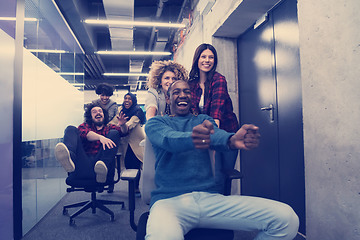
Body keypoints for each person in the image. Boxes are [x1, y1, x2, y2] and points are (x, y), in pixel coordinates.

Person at [144, 80, 299, 240]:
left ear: (193, 98)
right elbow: (168, 139)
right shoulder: (156, 123)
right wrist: (192, 138)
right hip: (169, 203)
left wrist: (232, 140)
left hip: (209, 200)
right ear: (168, 99)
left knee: (286, 219)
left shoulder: (204, 120)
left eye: (187, 92)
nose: (182, 95)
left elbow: (217, 136)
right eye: (176, 92)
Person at [188, 43, 240, 192]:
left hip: (227, 133)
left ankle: (223, 209)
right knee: (211, 176)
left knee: (223, 177)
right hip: (207, 134)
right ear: (197, 59)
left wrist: (214, 140)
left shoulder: (219, 80)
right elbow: (192, 115)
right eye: (203, 56)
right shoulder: (191, 84)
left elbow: (216, 113)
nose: (207, 60)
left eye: (211, 57)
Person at [55, 103, 128, 184]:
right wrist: (101, 137)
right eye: (94, 112)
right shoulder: (84, 126)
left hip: (100, 162)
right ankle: (69, 159)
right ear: (90, 116)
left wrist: (123, 124)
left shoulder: (109, 127)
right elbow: (85, 134)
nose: (98, 113)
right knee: (70, 128)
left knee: (114, 133)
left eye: (100, 111)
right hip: (83, 162)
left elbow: (124, 132)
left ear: (104, 115)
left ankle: (102, 169)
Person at [110, 92, 146, 193]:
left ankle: (136, 187)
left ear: (133, 101)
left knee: (135, 164)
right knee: (125, 163)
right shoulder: (121, 109)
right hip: (124, 142)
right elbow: (114, 120)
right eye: (125, 98)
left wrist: (120, 125)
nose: (127, 100)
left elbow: (130, 125)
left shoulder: (137, 111)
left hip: (135, 142)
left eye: (130, 99)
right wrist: (110, 125)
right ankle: (131, 185)